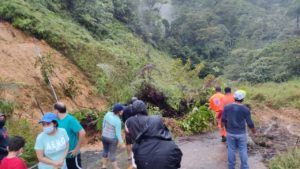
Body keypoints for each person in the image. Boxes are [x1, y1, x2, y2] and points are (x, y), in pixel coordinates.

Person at [125, 100, 182, 169]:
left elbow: (128, 135)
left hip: (138, 147)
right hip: (150, 142)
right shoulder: (148, 119)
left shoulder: (128, 121)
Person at [221, 90, 256, 169]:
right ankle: (244, 167)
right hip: (241, 133)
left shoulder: (227, 107)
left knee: (231, 150)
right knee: (243, 150)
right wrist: (254, 132)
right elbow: (250, 123)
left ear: (234, 97)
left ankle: (231, 167)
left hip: (230, 133)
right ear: (243, 99)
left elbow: (223, 119)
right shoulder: (245, 109)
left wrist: (222, 127)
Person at [53, 102, 86, 169]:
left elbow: (82, 132)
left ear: (56, 111)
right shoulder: (56, 120)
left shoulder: (70, 119)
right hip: (62, 156)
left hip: (71, 154)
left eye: (53, 110)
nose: (52, 112)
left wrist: (76, 149)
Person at [101, 103, 126, 169]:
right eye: (122, 110)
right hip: (112, 139)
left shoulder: (107, 114)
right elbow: (118, 134)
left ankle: (104, 166)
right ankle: (116, 168)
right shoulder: (117, 121)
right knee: (112, 153)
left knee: (105, 150)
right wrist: (122, 143)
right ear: (119, 112)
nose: (123, 111)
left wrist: (103, 132)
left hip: (104, 136)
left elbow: (103, 124)